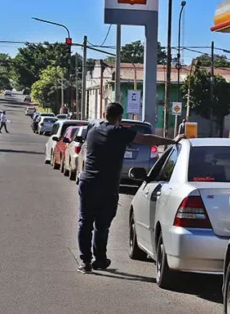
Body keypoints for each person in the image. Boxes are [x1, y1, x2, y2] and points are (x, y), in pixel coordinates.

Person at [76, 102, 183, 273]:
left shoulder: (93, 131)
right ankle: (100, 258)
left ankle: (85, 261)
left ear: (104, 113)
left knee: (85, 222)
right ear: (119, 118)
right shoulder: (118, 132)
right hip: (106, 186)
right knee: (102, 224)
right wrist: (172, 141)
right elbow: (145, 139)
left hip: (87, 183)